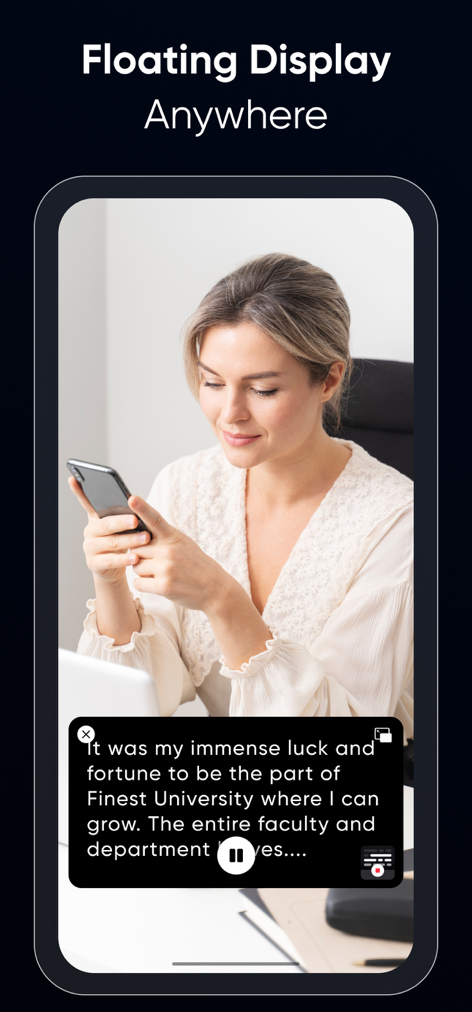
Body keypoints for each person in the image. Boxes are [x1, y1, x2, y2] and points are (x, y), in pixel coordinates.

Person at [70, 254, 413, 733]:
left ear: (329, 380)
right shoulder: (185, 484)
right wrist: (110, 583)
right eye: (212, 382)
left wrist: (220, 597)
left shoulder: (400, 521)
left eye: (264, 390)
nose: (229, 413)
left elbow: (339, 744)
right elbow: (136, 705)